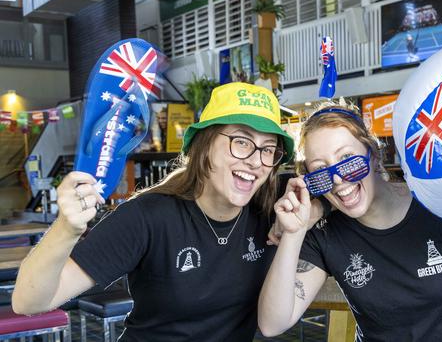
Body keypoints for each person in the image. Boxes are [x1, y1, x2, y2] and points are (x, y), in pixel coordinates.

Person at [12, 82, 301, 341]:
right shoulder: (148, 216)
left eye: (268, 149)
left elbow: (332, 184)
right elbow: (29, 302)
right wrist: (66, 229)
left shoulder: (270, 206)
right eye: (241, 141)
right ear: (205, 144)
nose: (255, 161)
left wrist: (310, 210)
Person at [258, 103, 442, 341]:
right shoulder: (324, 234)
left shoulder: (441, 205)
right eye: (319, 172)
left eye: (348, 160)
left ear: (374, 155)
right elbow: (273, 324)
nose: (337, 179)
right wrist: (293, 234)